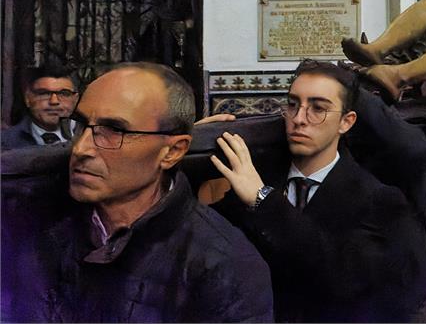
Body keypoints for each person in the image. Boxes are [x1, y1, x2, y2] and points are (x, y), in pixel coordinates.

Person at [5, 62, 274, 322]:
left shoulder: (223, 265)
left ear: (172, 151)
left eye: (114, 130)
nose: (81, 149)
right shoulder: (35, 232)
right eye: (79, 125)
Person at [211, 60, 426, 323]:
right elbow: (203, 241)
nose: (299, 119)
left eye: (318, 108)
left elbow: (343, 281)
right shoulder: (258, 179)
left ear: (346, 122)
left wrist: (264, 200)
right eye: (293, 104)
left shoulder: (380, 201)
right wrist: (188, 149)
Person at [1, 65, 79, 150]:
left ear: (75, 99)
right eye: (44, 93)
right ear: (27, 99)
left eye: (64, 93)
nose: (54, 101)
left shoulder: (90, 136)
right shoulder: (5, 143)